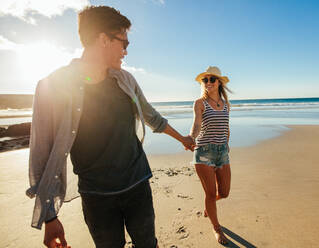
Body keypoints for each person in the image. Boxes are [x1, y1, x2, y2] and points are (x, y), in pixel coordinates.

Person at [26, 5, 194, 248]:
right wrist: (49, 216)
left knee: (148, 244)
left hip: (138, 185)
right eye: (124, 43)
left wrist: (182, 139)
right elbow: (40, 154)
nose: (126, 52)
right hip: (97, 196)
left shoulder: (125, 80)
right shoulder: (51, 86)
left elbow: (152, 117)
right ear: (103, 39)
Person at [189, 66, 232, 245]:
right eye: (205, 80)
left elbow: (226, 127)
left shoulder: (225, 104)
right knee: (210, 192)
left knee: (224, 192)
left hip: (222, 152)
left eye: (211, 79)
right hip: (204, 151)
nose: (208, 83)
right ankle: (216, 228)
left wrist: (227, 143)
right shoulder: (200, 103)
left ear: (219, 82)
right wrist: (191, 137)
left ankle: (209, 206)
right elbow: (197, 124)